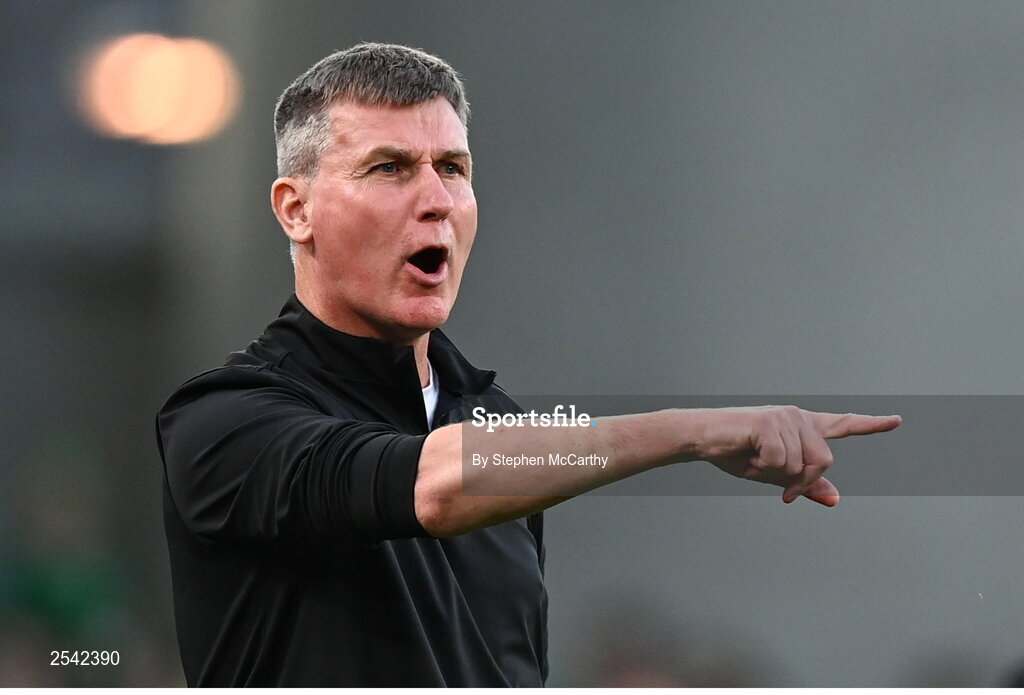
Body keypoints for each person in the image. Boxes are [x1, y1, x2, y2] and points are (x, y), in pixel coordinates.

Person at [155, 42, 902, 687]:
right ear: (296, 208)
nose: (436, 199)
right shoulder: (223, 420)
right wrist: (690, 431)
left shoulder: (498, 423)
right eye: (388, 168)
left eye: (453, 167)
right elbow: (435, 483)